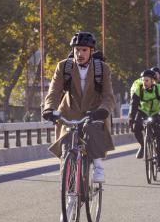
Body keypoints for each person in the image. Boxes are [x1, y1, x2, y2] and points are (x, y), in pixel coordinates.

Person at [42, 31, 115, 184]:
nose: (80, 53)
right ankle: (68, 190)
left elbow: (108, 96)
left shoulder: (102, 68)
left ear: (91, 51)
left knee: (92, 130)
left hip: (94, 112)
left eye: (84, 50)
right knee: (66, 148)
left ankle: (98, 166)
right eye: (77, 50)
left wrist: (103, 110)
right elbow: (54, 91)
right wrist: (49, 108)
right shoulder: (64, 66)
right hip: (69, 112)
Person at [130, 69, 160, 172]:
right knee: (136, 128)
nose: (145, 82)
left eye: (147, 80)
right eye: (143, 80)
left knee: (158, 136)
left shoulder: (159, 89)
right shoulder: (138, 89)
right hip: (143, 111)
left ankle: (159, 163)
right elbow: (134, 105)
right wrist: (131, 118)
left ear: (153, 81)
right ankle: (143, 146)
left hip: (156, 113)